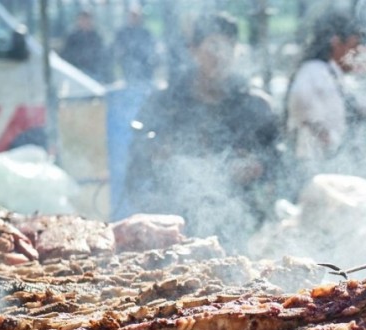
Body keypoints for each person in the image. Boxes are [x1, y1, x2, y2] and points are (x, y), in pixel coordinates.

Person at [119, 12, 281, 253]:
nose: (221, 54)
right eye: (213, 45)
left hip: (242, 228)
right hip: (174, 231)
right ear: (193, 49)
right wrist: (159, 158)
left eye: (229, 46)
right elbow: (137, 165)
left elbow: (279, 161)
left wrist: (258, 166)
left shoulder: (256, 106)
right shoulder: (165, 103)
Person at [284, 9, 366, 186]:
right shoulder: (313, 72)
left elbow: (357, 101)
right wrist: (327, 141)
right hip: (313, 169)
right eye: (353, 48)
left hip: (328, 167)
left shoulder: (331, 74)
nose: (357, 55)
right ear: (336, 43)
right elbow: (305, 109)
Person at [60, 10, 110, 83]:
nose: (85, 22)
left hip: (94, 72)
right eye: (83, 19)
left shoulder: (96, 36)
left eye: (87, 19)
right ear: (78, 21)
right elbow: (66, 54)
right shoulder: (72, 37)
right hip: (76, 72)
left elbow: (102, 55)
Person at [111, 7, 157, 85]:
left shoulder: (145, 33)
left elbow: (151, 49)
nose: (134, 19)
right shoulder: (122, 33)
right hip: (127, 69)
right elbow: (117, 49)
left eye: (136, 16)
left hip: (145, 70)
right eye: (132, 16)